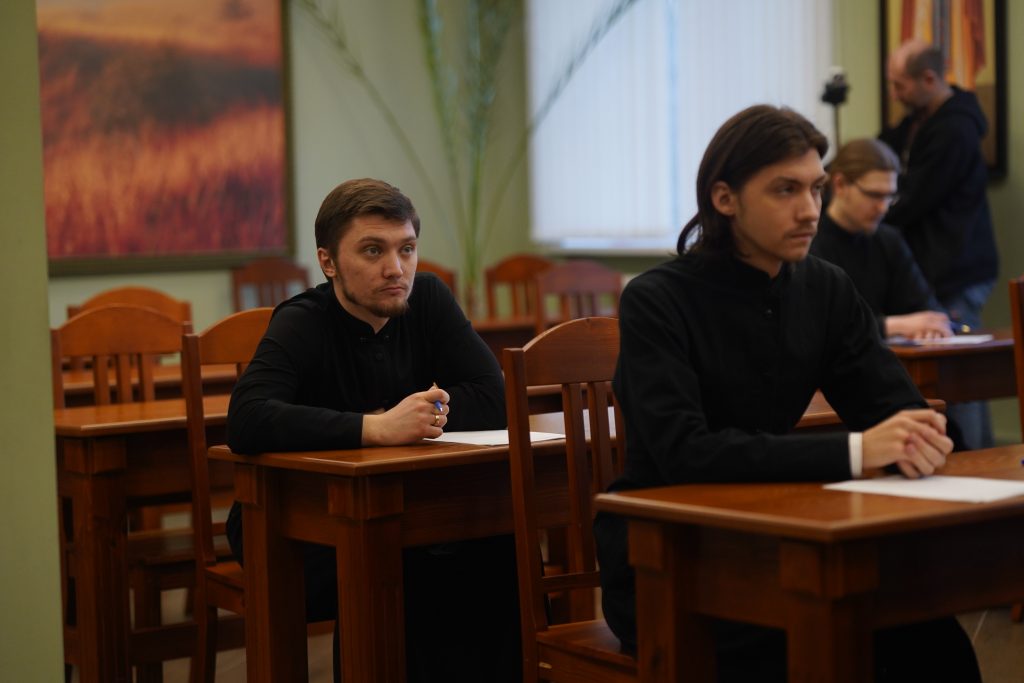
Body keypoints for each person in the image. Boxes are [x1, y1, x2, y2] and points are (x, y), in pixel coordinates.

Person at [593, 105, 981, 682]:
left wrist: (925, 438)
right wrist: (859, 451)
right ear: (724, 199)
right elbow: (685, 452)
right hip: (667, 556)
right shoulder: (656, 299)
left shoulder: (825, 288)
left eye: (816, 188)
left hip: (777, 537)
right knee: (818, 642)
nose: (810, 210)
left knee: (933, 642)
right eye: (785, 190)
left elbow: (894, 408)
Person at [224, 178, 520, 682]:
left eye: (407, 249)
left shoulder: (428, 298)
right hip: (290, 522)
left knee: (499, 546)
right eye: (372, 250)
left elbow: (494, 397)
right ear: (329, 262)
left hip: (406, 506)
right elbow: (247, 417)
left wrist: (419, 419)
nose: (396, 268)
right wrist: (375, 428)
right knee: (410, 560)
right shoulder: (302, 320)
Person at [881, 39, 998, 448]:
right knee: (955, 377)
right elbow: (880, 151)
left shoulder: (956, 129)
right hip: (935, 268)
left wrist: (872, 215)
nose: (894, 95)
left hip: (957, 269)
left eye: (899, 85)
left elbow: (915, 198)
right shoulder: (917, 122)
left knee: (958, 377)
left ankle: (972, 461)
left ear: (928, 79)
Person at [810, 137, 952, 341]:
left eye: (890, 197)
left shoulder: (889, 240)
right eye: (875, 195)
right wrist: (892, 326)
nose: (883, 208)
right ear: (840, 184)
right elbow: (820, 325)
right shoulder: (809, 243)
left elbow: (927, 310)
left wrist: (929, 327)